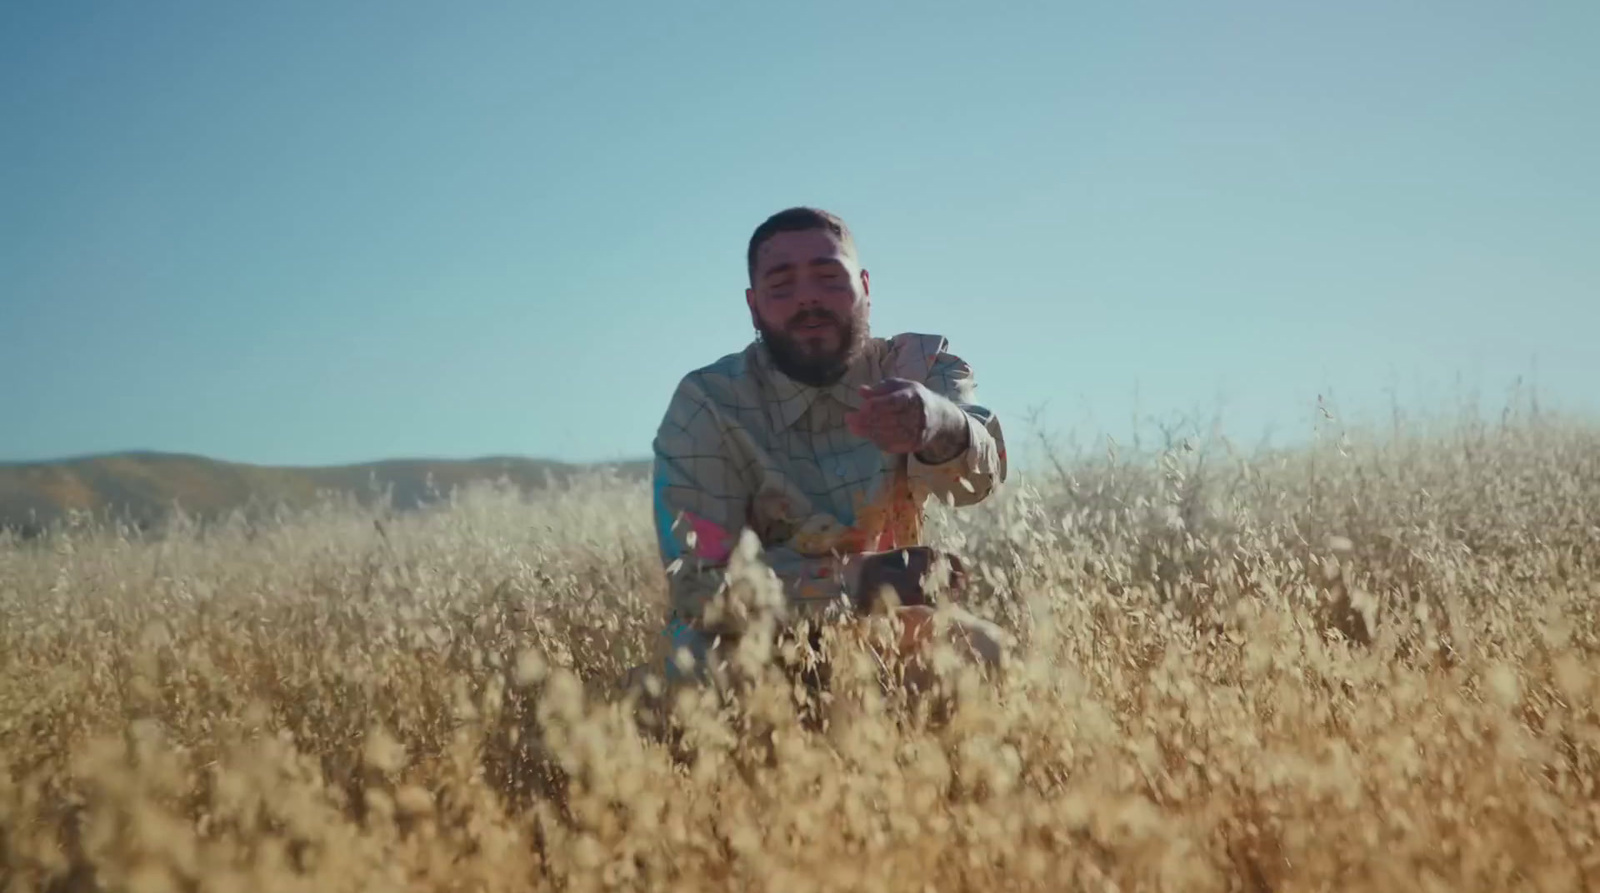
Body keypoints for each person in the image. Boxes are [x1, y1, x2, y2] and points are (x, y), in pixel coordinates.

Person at [647, 207, 1010, 690]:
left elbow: (977, 484)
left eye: (829, 277)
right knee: (700, 669)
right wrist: (859, 583)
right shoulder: (708, 406)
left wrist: (939, 423)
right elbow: (699, 585)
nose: (809, 299)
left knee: (987, 654)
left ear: (865, 287)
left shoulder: (919, 366)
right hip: (753, 640)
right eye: (782, 286)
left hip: (893, 632)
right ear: (754, 307)